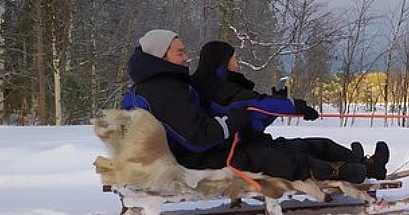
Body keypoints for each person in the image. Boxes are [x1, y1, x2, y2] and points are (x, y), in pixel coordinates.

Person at [123, 30, 387, 184]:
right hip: (195, 160)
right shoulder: (164, 90)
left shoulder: (163, 85)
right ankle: (352, 171)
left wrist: (241, 121)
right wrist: (235, 120)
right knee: (279, 159)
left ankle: (363, 165)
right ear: (161, 56)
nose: (186, 57)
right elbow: (197, 137)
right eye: (179, 52)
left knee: (297, 147)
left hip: (207, 150)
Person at [190, 40, 389, 180]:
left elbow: (253, 119)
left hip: (253, 143)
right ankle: (365, 170)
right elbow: (257, 105)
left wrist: (279, 104)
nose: (238, 63)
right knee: (303, 160)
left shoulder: (222, 86)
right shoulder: (218, 89)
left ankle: (361, 161)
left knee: (317, 145)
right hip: (241, 152)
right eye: (234, 59)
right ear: (221, 63)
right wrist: (294, 106)